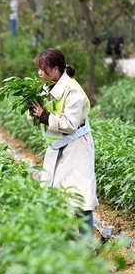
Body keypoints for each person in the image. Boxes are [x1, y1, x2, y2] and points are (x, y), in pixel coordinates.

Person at [30, 48, 97, 236]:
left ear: (56, 69)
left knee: (80, 197)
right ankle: (57, 241)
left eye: (43, 69)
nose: (39, 73)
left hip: (76, 147)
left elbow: (69, 124)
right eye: (38, 69)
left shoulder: (74, 91)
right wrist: (34, 113)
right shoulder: (48, 87)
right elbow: (42, 116)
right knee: (52, 193)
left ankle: (87, 245)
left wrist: (44, 116)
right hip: (58, 147)